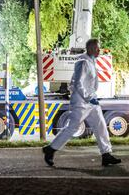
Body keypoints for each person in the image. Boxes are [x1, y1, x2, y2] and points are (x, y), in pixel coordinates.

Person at [42, 39, 121, 167]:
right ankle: (50, 149)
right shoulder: (83, 62)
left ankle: (106, 154)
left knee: (100, 126)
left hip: (91, 102)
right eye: (97, 48)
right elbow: (78, 83)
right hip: (81, 102)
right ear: (90, 49)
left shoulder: (91, 61)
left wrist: (92, 98)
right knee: (72, 127)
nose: (99, 50)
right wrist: (89, 97)